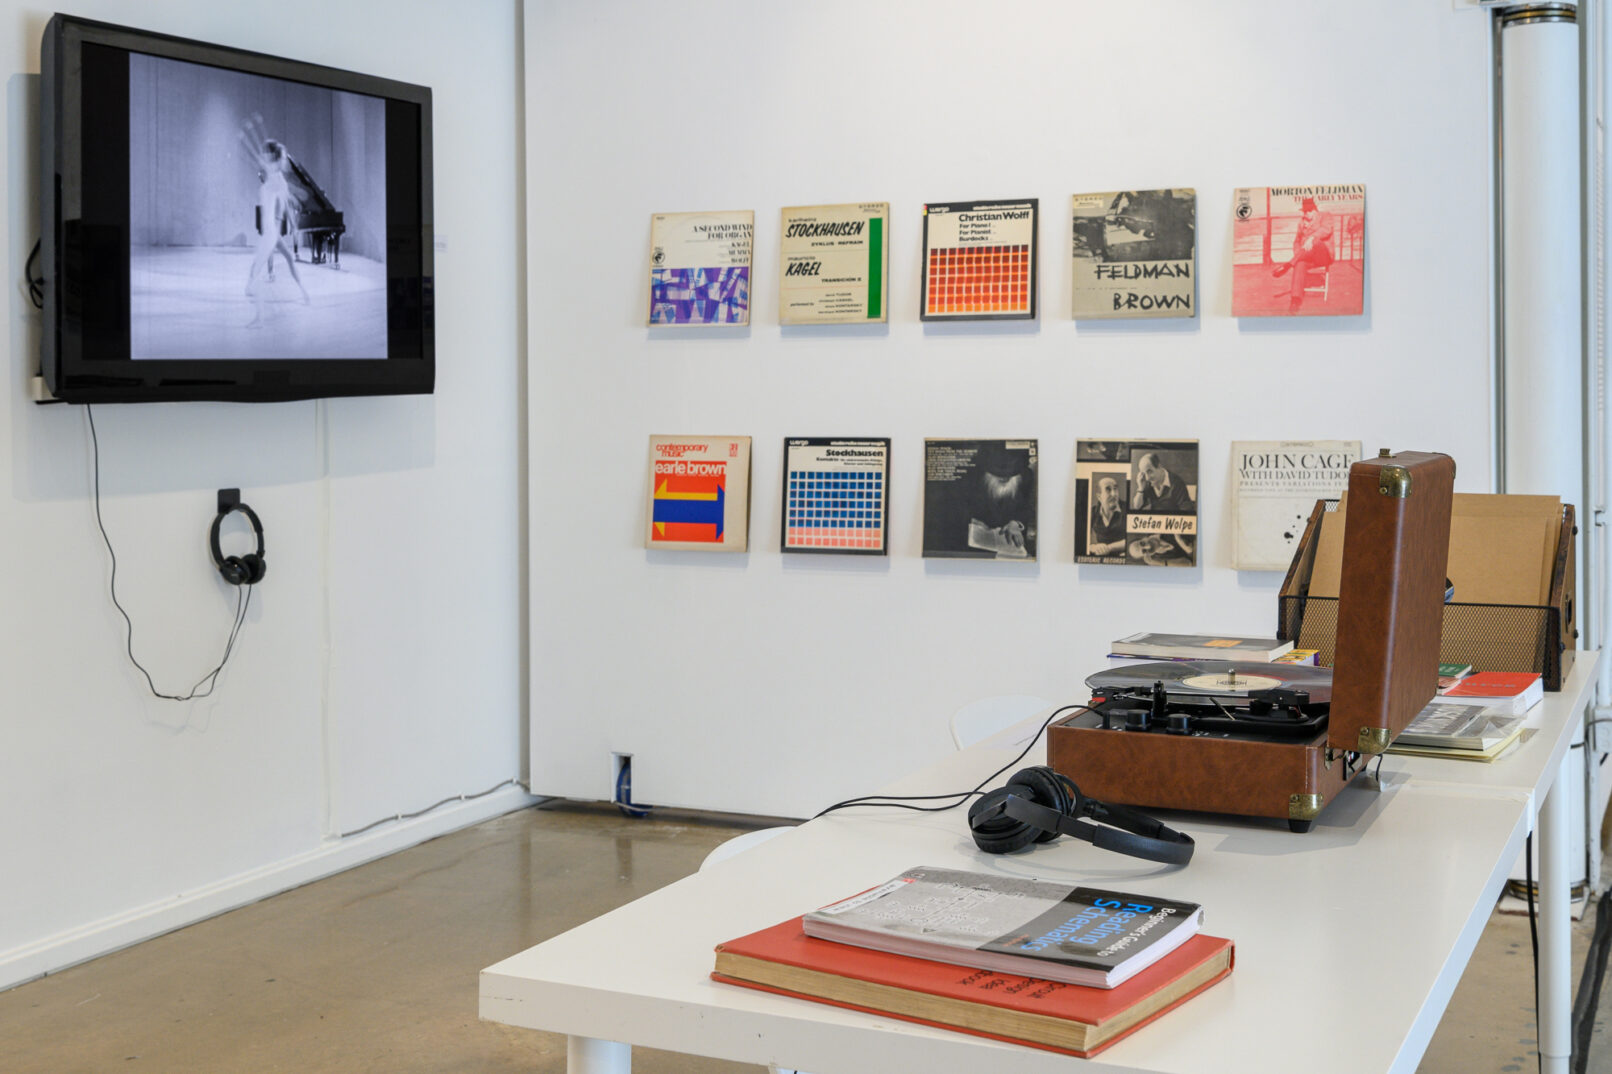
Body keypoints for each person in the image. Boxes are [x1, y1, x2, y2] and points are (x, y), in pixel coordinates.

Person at [239, 118, 309, 324]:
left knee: (262, 267)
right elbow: (259, 158)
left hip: (271, 232)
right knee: (271, 263)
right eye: (283, 158)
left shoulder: (277, 179)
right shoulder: (274, 176)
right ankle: (301, 293)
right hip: (272, 231)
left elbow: (286, 203)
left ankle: (259, 315)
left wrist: (248, 136)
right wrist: (250, 137)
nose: (285, 162)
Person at [1272, 196, 1333, 313]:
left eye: (1308, 211)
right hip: (1307, 256)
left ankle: (1288, 265)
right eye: (1304, 211)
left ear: (1315, 210)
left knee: (1315, 241)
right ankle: (1295, 301)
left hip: (1323, 255)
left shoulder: (1326, 216)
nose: (1306, 214)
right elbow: (1296, 241)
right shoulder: (1301, 223)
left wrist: (1311, 238)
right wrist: (1298, 252)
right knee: (1299, 263)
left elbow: (1326, 230)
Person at [1087, 475, 1127, 556]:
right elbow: (1081, 538)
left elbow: (1132, 540)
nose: (1114, 494)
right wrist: (1093, 547)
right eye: (1108, 489)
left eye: (1115, 489)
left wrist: (1108, 548)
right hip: (1100, 555)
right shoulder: (1092, 512)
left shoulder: (1126, 509)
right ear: (1099, 496)